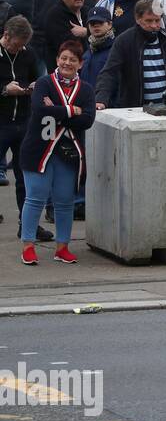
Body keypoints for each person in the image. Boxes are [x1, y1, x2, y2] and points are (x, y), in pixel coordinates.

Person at [19, 41, 95, 266]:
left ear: (80, 64)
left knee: (65, 202)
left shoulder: (86, 89)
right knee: (35, 198)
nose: (67, 63)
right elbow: (41, 111)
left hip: (68, 153)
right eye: (64, 58)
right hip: (38, 150)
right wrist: (72, 110)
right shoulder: (44, 83)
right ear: (57, 60)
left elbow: (88, 120)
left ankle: (62, 247)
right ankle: (28, 246)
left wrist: (56, 111)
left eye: (73, 59)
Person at [1, 17, 45, 237]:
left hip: (24, 121)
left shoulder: (28, 53)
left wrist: (36, 86)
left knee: (25, 176)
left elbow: (40, 77)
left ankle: (27, 225)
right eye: (17, 44)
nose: (20, 48)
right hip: (1, 121)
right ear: (6, 36)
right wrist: (4, 90)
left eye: (23, 44)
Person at [78, 9, 116, 94]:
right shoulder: (86, 54)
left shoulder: (116, 50)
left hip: (109, 104)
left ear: (110, 24)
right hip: (88, 103)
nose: (96, 26)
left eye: (100, 23)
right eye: (92, 24)